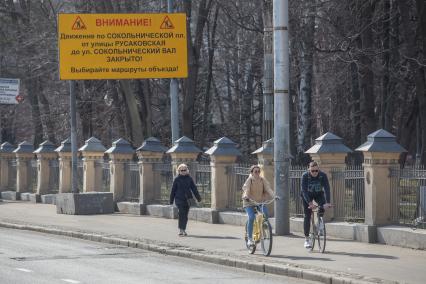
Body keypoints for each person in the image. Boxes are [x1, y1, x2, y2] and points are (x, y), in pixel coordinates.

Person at [242, 165, 275, 247]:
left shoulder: (262, 180)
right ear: (252, 173)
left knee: (266, 214)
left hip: (259, 202)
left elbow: (268, 188)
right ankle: (249, 239)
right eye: (255, 171)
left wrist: (274, 196)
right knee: (251, 217)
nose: (257, 173)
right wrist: (246, 196)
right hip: (249, 202)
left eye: (258, 171)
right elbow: (246, 189)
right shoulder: (249, 180)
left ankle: (262, 228)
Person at [301, 161, 331, 248]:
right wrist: (310, 203)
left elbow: (327, 188)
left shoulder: (322, 175)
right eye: (312, 171)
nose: (314, 173)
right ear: (309, 170)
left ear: (318, 170)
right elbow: (304, 191)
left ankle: (319, 222)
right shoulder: (305, 176)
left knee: (323, 205)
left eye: (316, 171)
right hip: (307, 196)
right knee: (307, 215)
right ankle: (307, 239)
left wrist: (328, 202)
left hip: (318, 194)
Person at [169, 163, 201, 237]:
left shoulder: (189, 179)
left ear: (187, 170)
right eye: (181, 170)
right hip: (179, 199)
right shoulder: (177, 179)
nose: (183, 171)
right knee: (181, 213)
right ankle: (181, 230)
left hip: (188, 199)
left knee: (185, 215)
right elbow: (173, 190)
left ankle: (183, 229)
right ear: (179, 171)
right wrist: (171, 200)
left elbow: (194, 189)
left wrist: (198, 198)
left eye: (185, 170)